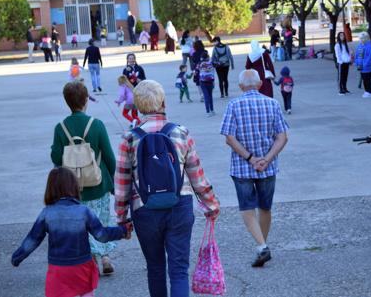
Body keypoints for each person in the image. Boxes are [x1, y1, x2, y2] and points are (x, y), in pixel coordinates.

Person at [115, 80, 220, 297]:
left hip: (144, 209)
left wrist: (122, 219)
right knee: (179, 269)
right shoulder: (181, 133)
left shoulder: (129, 139)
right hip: (179, 205)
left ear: (137, 106)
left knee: (155, 268)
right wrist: (210, 204)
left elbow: (122, 183)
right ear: (163, 101)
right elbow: (196, 175)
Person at [12, 167, 131, 297]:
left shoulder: (47, 213)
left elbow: (32, 240)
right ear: (74, 186)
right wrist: (123, 231)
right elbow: (101, 235)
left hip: (58, 269)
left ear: (50, 188)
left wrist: (17, 257)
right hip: (82, 267)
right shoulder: (84, 211)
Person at [220, 69, 289, 267]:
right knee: (265, 207)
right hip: (267, 167)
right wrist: (266, 159)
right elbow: (282, 137)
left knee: (247, 208)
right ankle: (262, 245)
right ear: (259, 85)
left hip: (242, 167)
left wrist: (250, 159)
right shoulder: (273, 103)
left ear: (241, 87)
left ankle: (262, 247)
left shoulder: (233, 105)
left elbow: (229, 138)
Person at [51, 81, 121, 274]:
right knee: (102, 220)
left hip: (73, 187)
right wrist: (113, 181)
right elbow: (109, 157)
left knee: (82, 224)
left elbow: (56, 157)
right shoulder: (96, 125)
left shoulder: (61, 128)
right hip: (98, 183)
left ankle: (91, 259)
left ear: (67, 102)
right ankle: (106, 257)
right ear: (85, 101)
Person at [354, 32, 371, 98]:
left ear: (366, 38)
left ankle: (369, 92)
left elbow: (370, 56)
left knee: (367, 79)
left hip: (367, 67)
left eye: (363, 38)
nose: (361, 39)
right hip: (360, 66)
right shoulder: (359, 45)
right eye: (360, 38)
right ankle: (366, 91)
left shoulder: (369, 46)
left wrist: (365, 64)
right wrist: (356, 62)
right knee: (364, 79)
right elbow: (356, 55)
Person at [197, 51, 216, 116]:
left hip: (202, 81)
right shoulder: (211, 63)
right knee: (210, 96)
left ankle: (207, 112)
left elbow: (196, 70)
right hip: (210, 80)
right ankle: (212, 110)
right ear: (208, 56)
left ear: (201, 57)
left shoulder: (200, 63)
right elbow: (216, 65)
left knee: (206, 96)